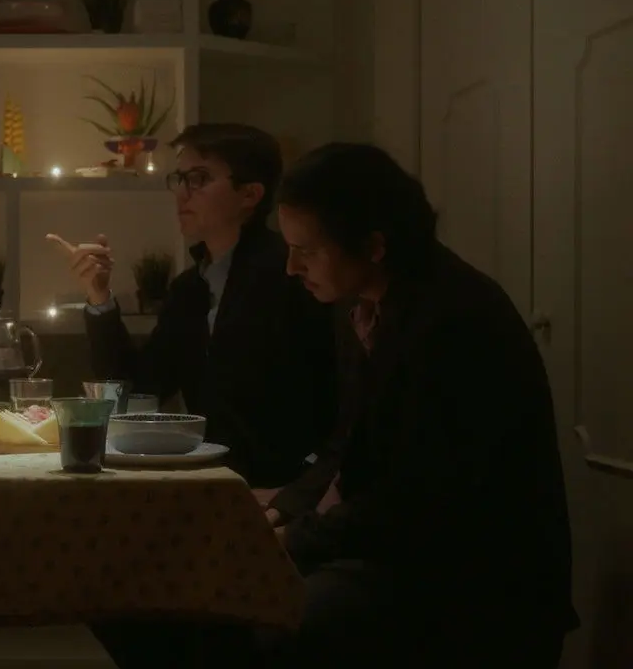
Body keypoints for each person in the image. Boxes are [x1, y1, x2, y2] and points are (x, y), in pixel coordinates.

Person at [265, 142, 578, 666]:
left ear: (374, 246)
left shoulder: (454, 319)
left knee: (276, 620)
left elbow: (419, 496)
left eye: (308, 250)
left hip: (474, 586)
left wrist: (294, 539)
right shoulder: (362, 305)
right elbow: (349, 446)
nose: (291, 267)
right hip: (404, 556)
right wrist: (283, 512)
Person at [57, 123, 337, 489]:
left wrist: (300, 492)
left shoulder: (292, 275)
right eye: (179, 179)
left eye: (199, 179)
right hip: (211, 482)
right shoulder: (189, 289)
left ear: (250, 194)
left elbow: (334, 400)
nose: (182, 193)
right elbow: (135, 388)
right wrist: (99, 297)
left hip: (283, 489)